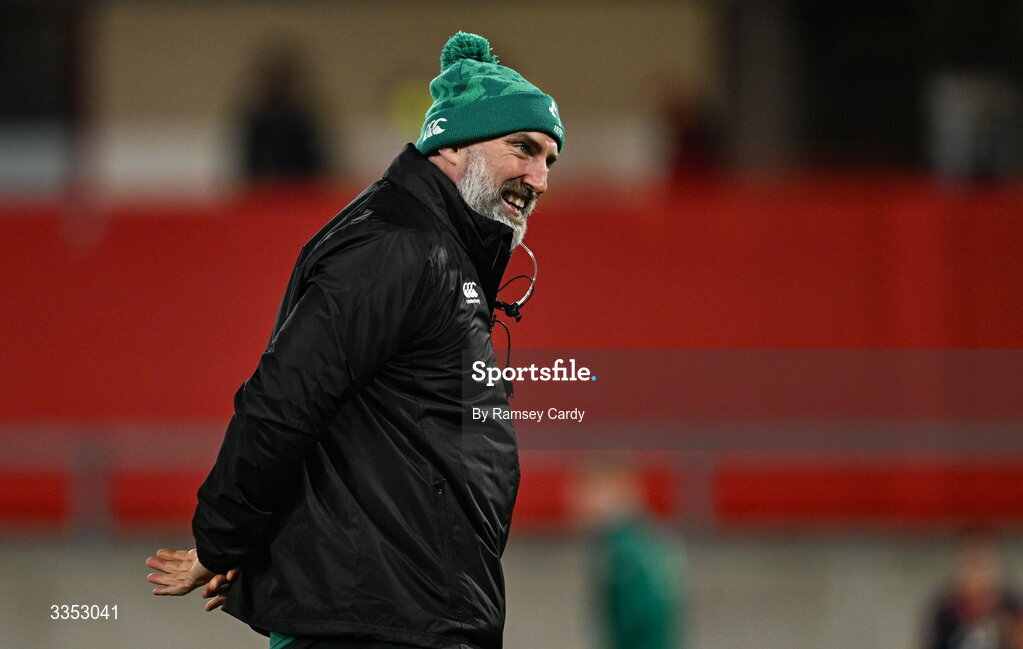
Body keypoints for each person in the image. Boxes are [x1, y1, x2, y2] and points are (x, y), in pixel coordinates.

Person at [145, 32, 564, 649]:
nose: (540, 178)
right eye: (523, 148)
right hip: (374, 620)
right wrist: (224, 539)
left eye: (550, 160)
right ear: (453, 145)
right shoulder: (398, 247)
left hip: (404, 613)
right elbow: (285, 397)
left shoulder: (433, 250)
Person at [571, 455, 688, 649]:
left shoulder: (623, 553)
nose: (579, 502)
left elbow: (639, 623)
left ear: (618, 488)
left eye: (589, 490)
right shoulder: (648, 539)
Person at [921, 529, 1023, 649]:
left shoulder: (1010, 608)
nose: (977, 577)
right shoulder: (946, 611)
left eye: (982, 566)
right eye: (972, 566)